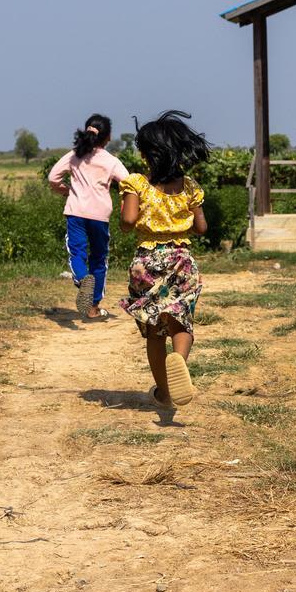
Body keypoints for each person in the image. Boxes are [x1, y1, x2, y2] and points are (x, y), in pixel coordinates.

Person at [118, 111, 210, 422]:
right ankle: (180, 360)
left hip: (147, 263)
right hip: (182, 260)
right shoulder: (189, 186)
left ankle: (165, 393)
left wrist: (124, 215)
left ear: (147, 153)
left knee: (155, 332)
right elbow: (201, 227)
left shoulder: (137, 183)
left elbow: (129, 222)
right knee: (181, 321)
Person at [46, 114, 127, 319]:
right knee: (99, 259)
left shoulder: (74, 155)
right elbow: (128, 182)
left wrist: (66, 190)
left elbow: (53, 177)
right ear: (108, 137)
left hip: (76, 212)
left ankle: (82, 279)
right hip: (100, 215)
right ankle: (93, 308)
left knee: (77, 252)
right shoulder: (111, 161)